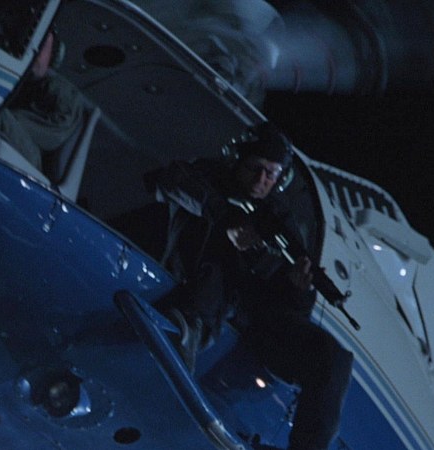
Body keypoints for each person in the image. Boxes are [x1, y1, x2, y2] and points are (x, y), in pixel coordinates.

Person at [145, 122, 353, 450]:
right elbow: (168, 180)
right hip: (199, 289)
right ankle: (184, 332)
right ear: (238, 161)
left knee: (334, 359)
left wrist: (299, 288)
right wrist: (224, 216)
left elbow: (291, 308)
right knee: (225, 258)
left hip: (256, 319)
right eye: (255, 168)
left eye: (271, 174)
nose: (261, 180)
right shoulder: (208, 178)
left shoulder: (280, 220)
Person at [0, 30, 88, 173]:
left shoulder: (64, 91)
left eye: (41, 46)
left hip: (32, 159)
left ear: (53, 57)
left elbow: (54, 135)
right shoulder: (24, 83)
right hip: (18, 145)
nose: (33, 50)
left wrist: (8, 117)